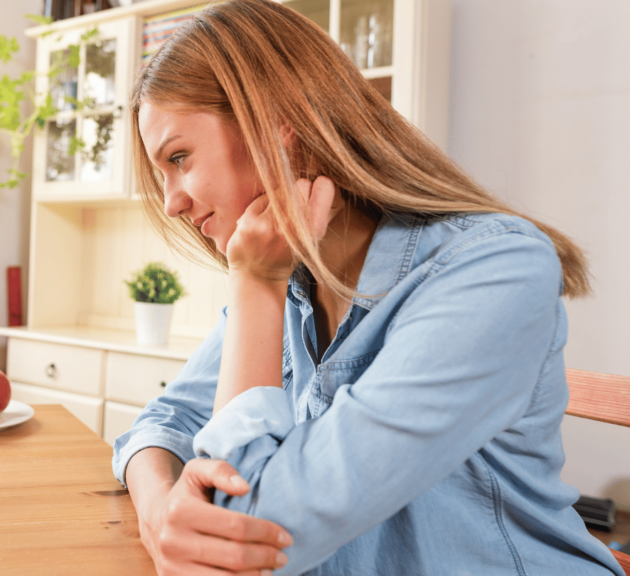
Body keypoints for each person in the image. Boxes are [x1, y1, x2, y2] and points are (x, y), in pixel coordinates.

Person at [111, 1, 620, 574]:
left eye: (178, 157)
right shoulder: (297, 280)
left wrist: (254, 281)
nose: (173, 202)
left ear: (280, 127)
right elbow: (160, 423)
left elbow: (245, 531)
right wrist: (160, 513)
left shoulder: (493, 268)